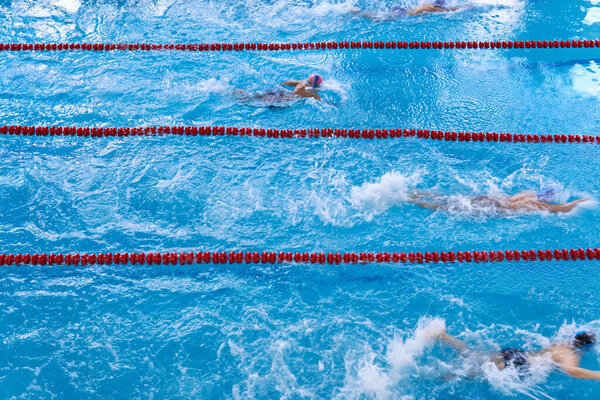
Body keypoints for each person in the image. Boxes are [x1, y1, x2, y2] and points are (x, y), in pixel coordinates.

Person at [430, 327, 600, 380]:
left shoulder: (561, 343)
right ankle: (436, 378)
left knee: (475, 355)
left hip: (517, 353)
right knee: (471, 373)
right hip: (521, 365)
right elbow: (572, 371)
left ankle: (443, 336)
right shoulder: (571, 354)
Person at [409, 188, 588, 214]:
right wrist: (583, 202)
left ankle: (419, 193)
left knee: (449, 200)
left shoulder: (529, 194)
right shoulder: (535, 204)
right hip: (490, 207)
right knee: (442, 208)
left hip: (489, 199)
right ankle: (417, 201)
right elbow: (563, 208)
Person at [235, 74, 323, 105]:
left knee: (257, 96)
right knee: (253, 100)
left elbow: (287, 82)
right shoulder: (310, 93)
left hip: (281, 93)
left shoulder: (301, 82)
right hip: (284, 100)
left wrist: (281, 87)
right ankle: (239, 95)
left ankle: (239, 92)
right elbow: (321, 100)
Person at [350, 1, 472, 20]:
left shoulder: (428, 4)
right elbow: (450, 11)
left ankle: (357, 12)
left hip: (402, 11)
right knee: (377, 17)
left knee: (378, 15)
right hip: (402, 14)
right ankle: (357, 12)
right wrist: (465, 8)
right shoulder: (430, 7)